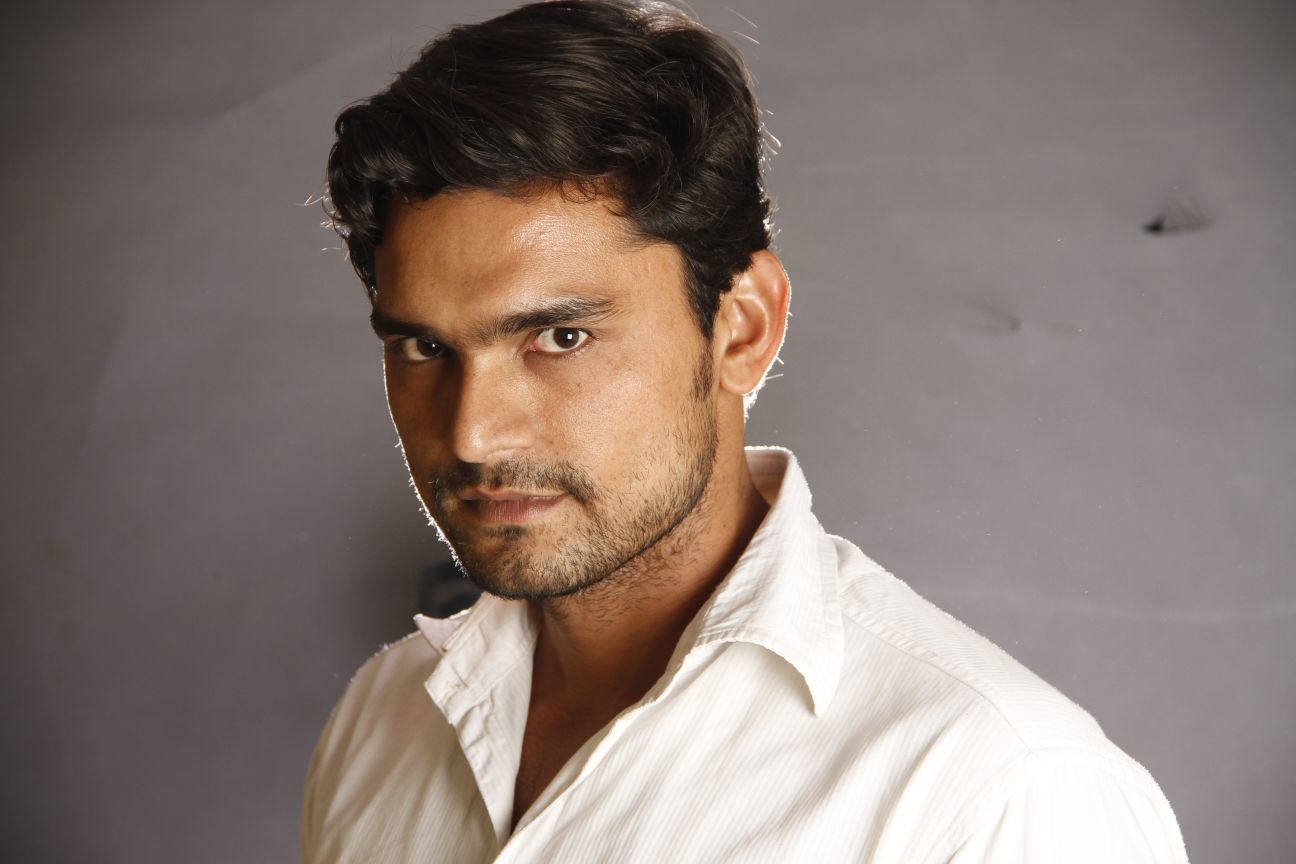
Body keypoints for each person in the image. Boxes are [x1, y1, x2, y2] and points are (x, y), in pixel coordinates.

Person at [301, 1, 1190, 861]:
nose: (474, 435)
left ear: (742, 328)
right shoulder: (383, 717)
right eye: (423, 347)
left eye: (561, 337)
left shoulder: (1001, 795)